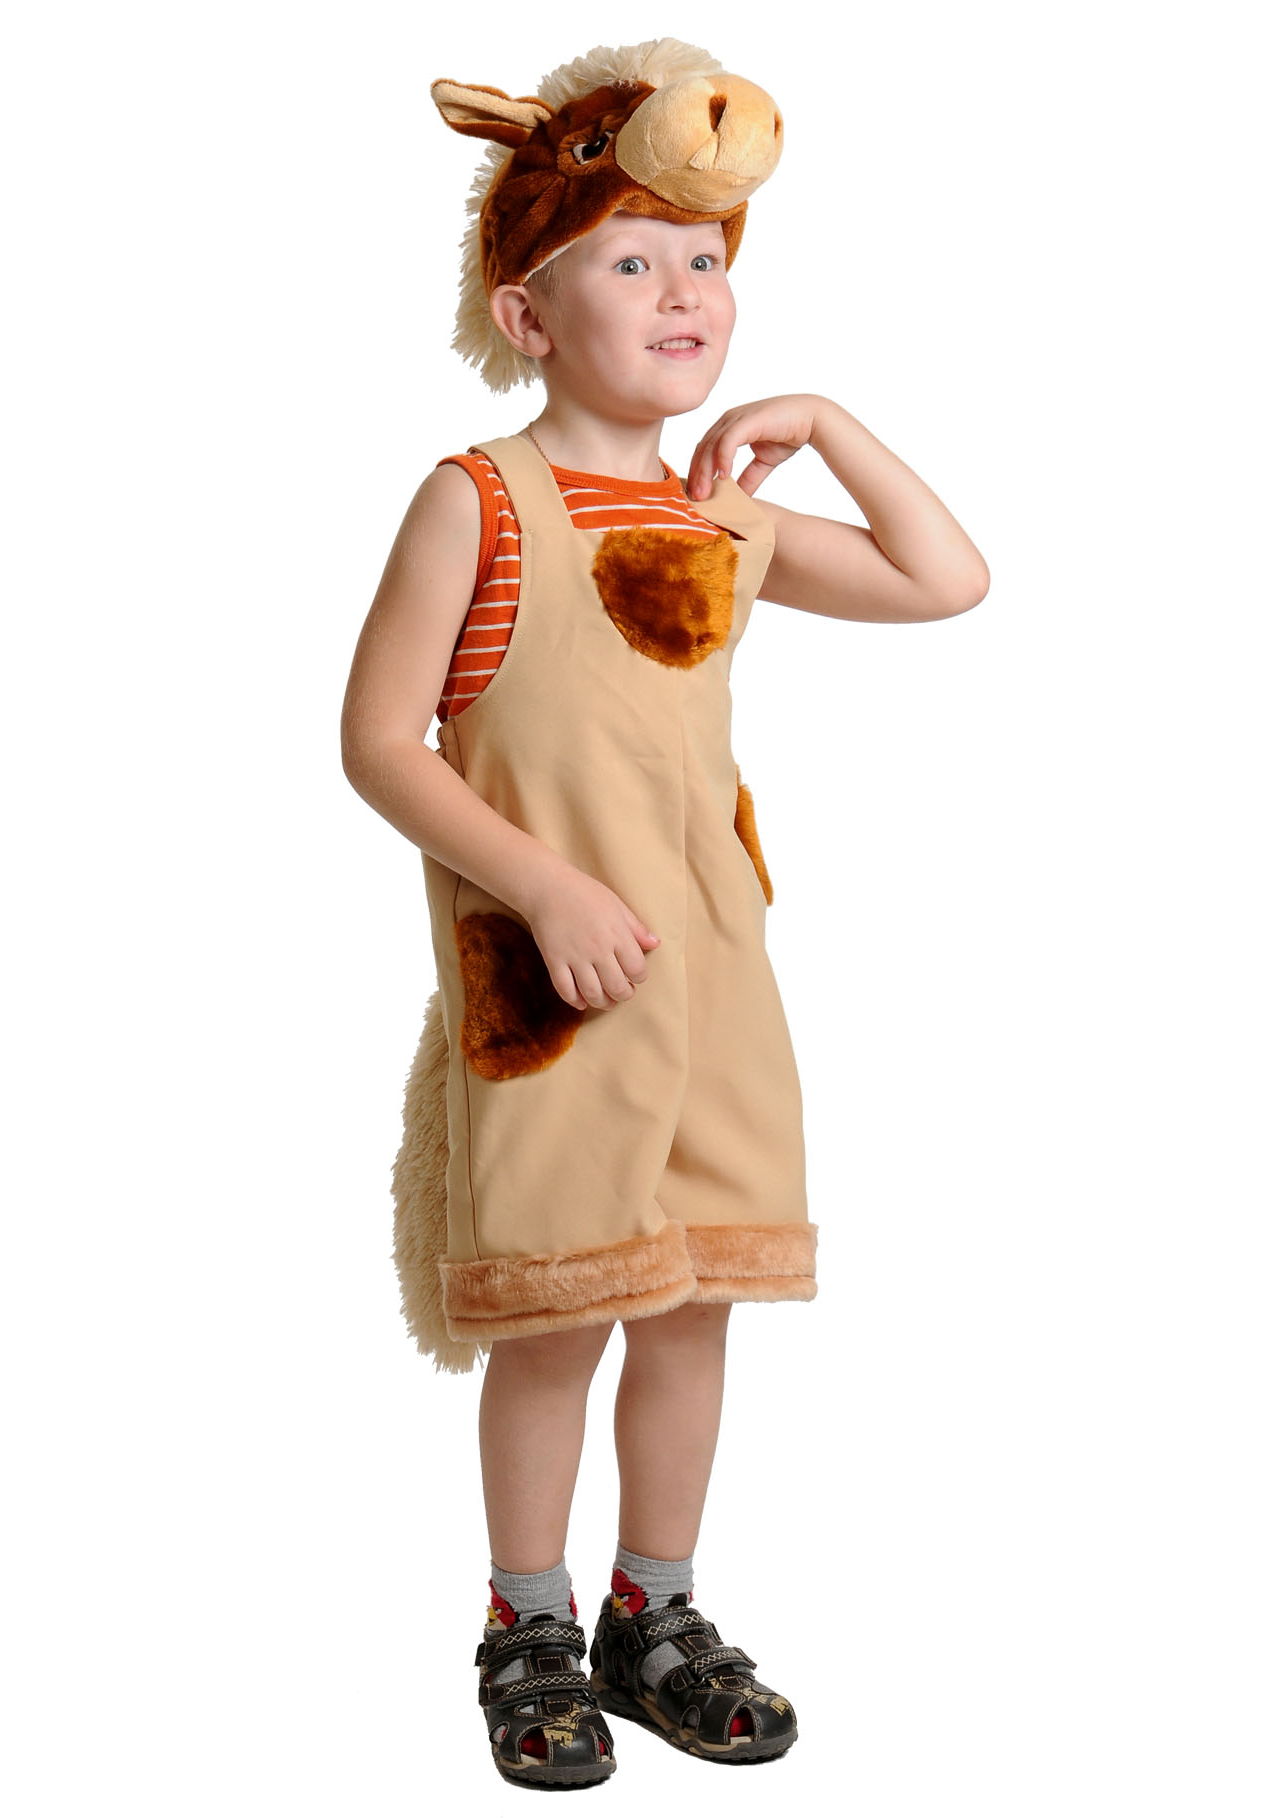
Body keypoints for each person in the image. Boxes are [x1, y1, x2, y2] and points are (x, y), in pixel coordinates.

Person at [340, 37, 988, 1791]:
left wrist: (826, 423)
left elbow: (947, 579)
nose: (684, 291)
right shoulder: (476, 499)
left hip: (712, 976)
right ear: (530, 315)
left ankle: (656, 1608)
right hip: (554, 981)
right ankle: (527, 1621)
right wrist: (543, 887)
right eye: (630, 261)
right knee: (557, 1315)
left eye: (704, 259)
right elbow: (379, 742)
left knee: (692, 1302)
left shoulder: (725, 523)